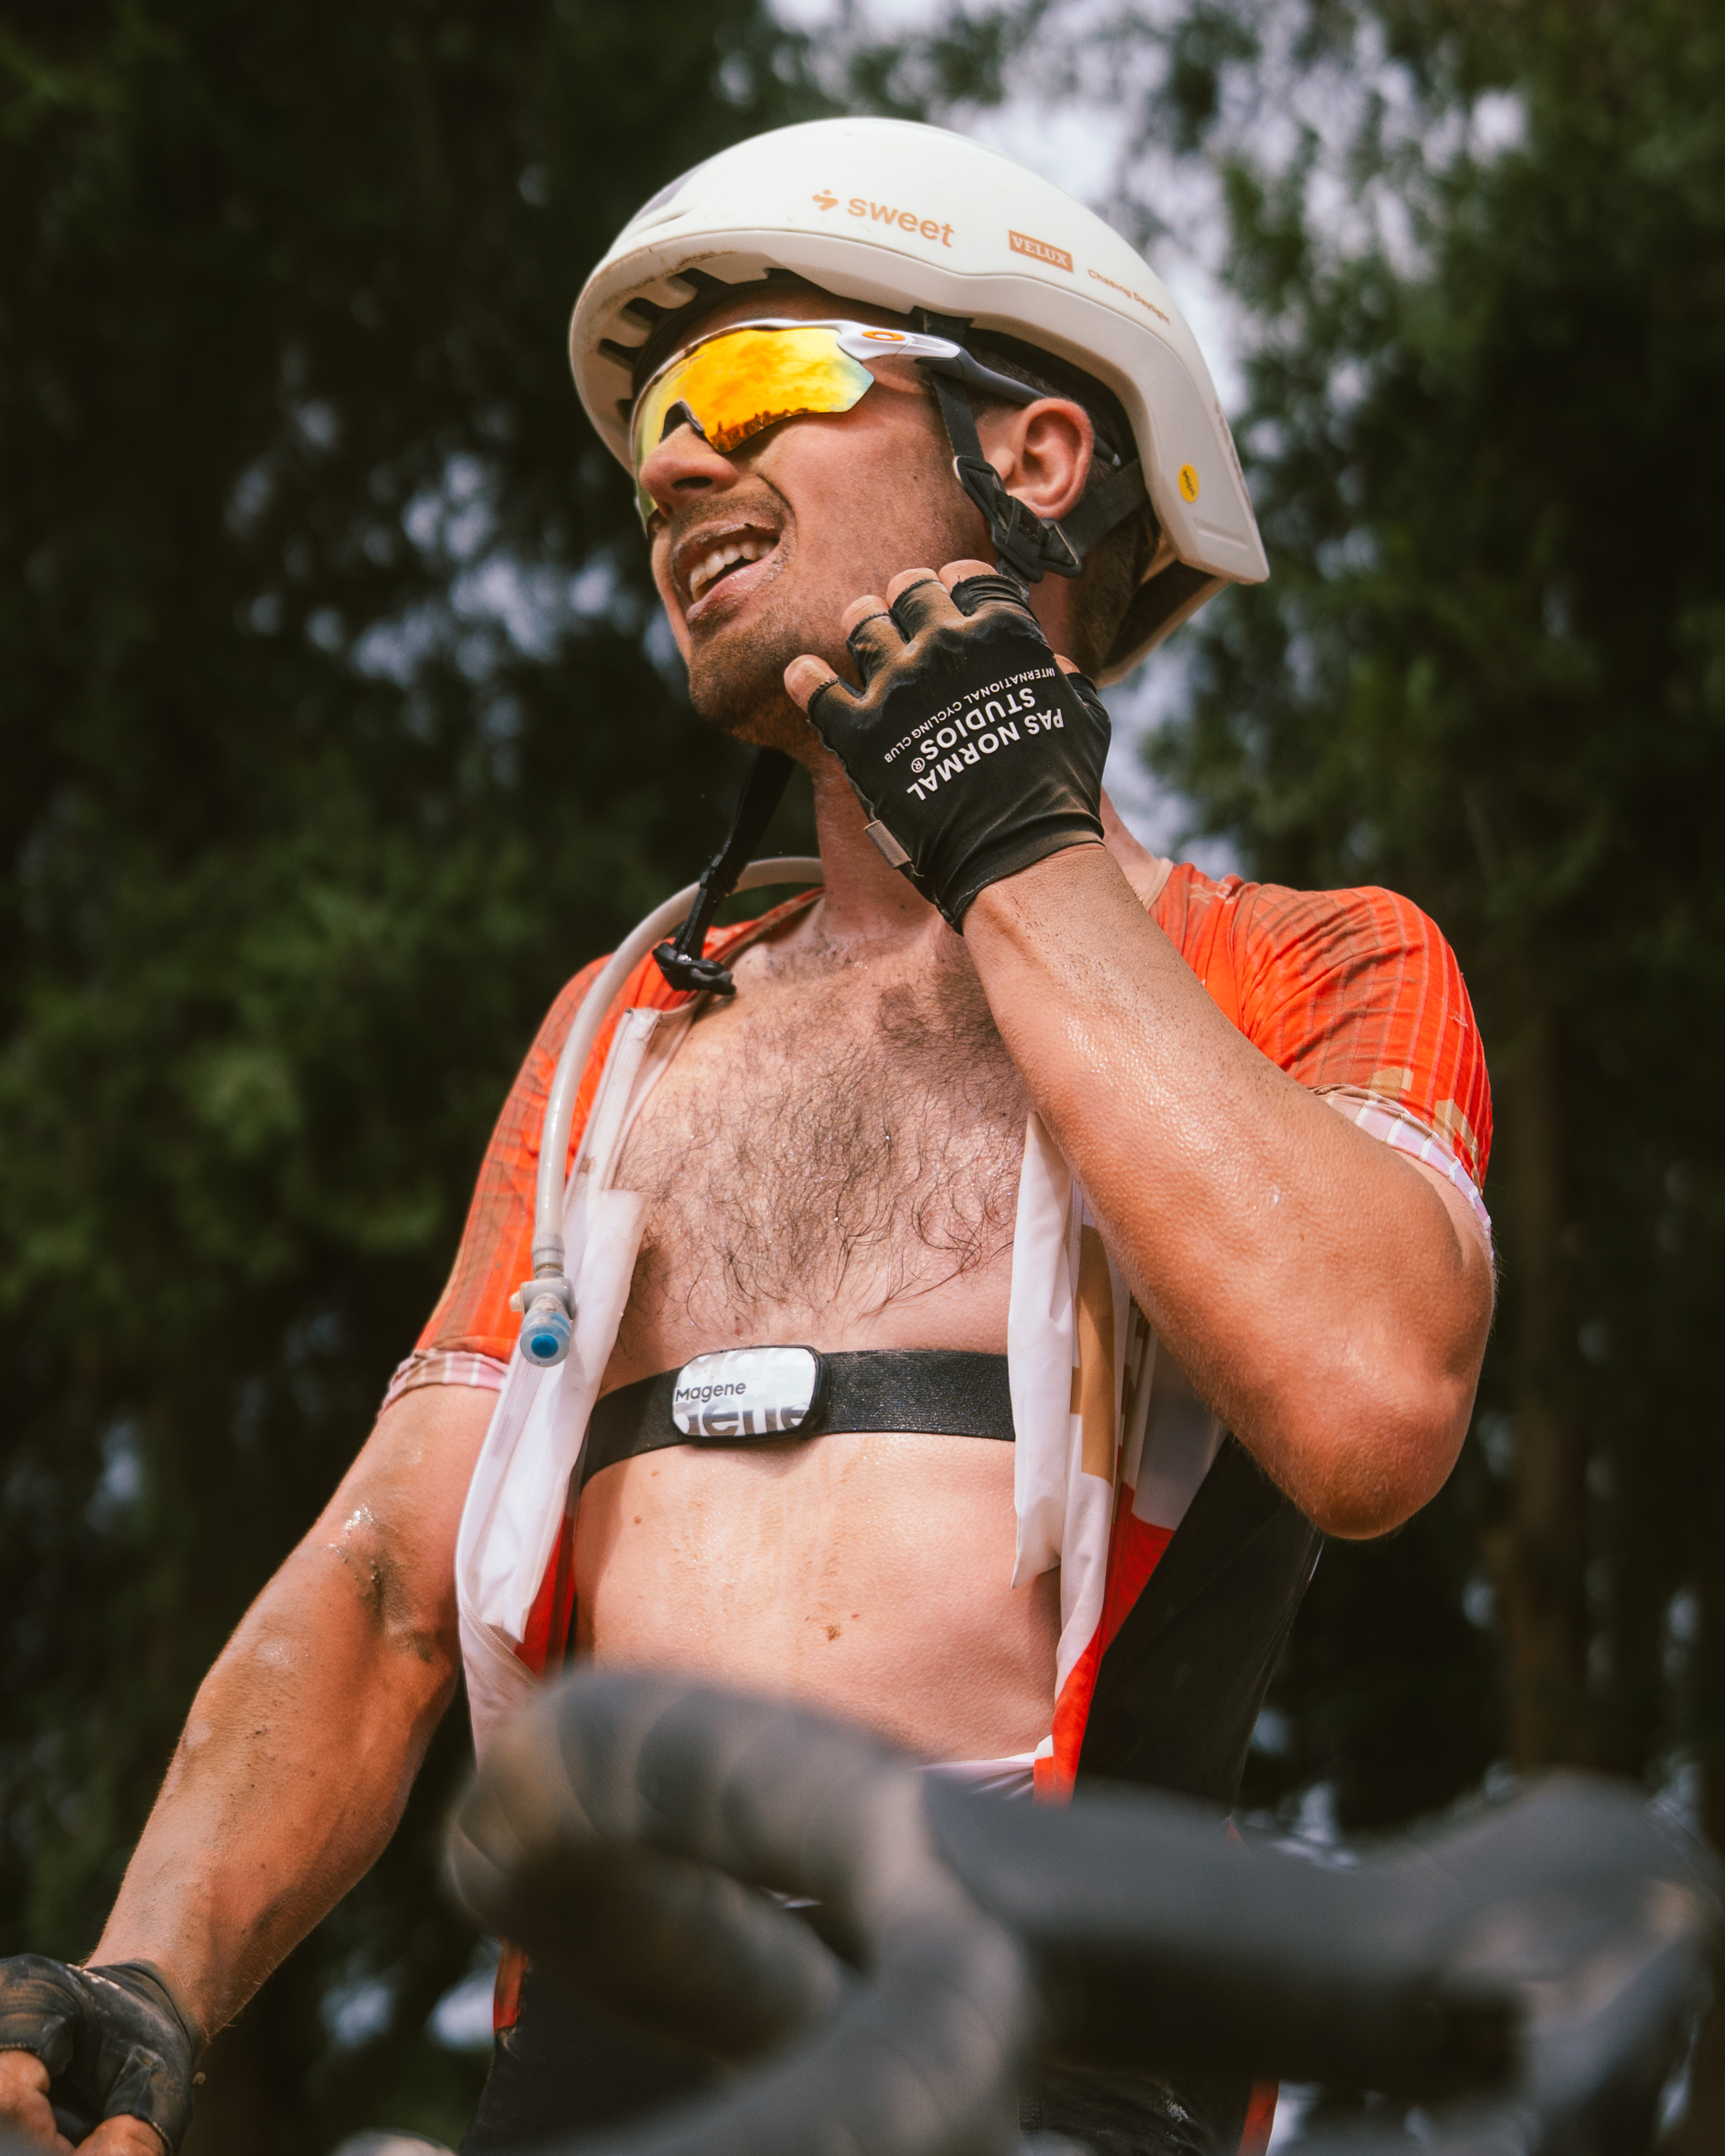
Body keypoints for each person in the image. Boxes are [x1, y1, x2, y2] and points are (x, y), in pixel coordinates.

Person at [0, 117, 1494, 2156]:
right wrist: (146, 1971)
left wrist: (1010, 835)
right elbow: (387, 1585)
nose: (676, 465)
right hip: (597, 2067)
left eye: (756, 380)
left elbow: (1372, 1402)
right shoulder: (624, 1036)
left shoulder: (1310, 967)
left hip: (1045, 2072)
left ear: (1038, 453)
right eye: (653, 432)